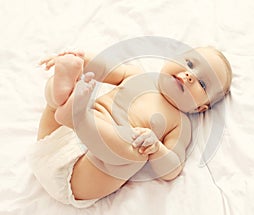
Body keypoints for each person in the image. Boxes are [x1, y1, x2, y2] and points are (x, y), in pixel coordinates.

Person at [28, 46, 232, 208]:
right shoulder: (137, 74)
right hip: (57, 139)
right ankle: (60, 93)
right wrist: (81, 59)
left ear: (200, 108)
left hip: (80, 177)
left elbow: (172, 169)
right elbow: (104, 68)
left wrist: (156, 148)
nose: (190, 75)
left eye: (203, 84)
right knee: (66, 93)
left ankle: (78, 117)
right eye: (189, 63)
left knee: (136, 152)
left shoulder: (180, 123)